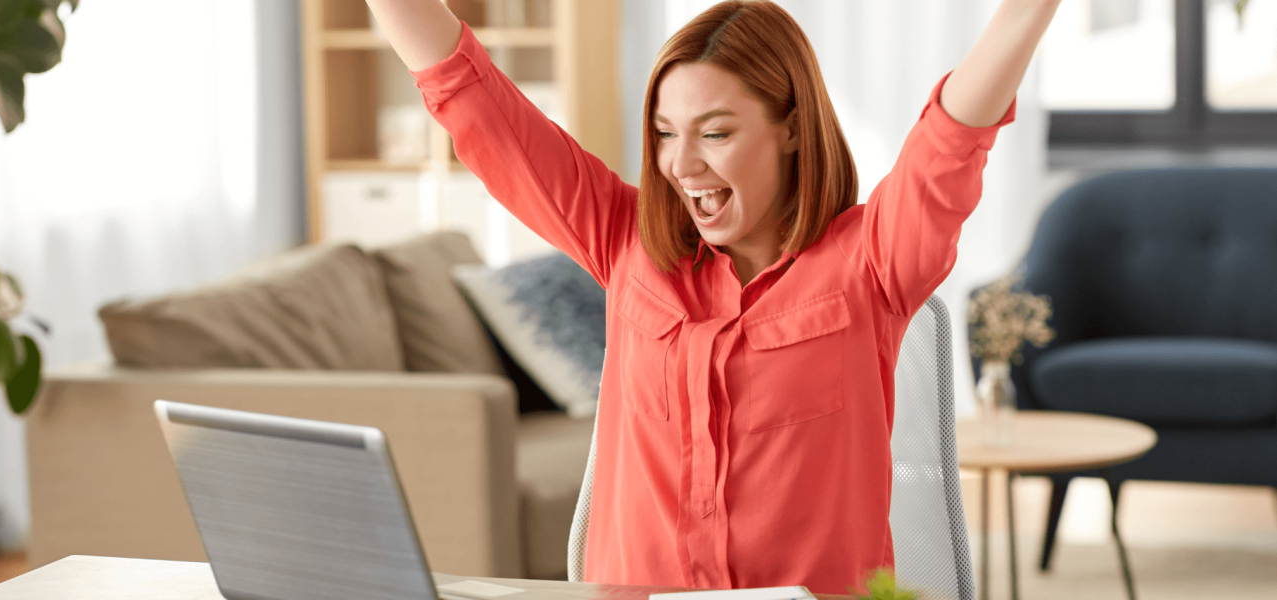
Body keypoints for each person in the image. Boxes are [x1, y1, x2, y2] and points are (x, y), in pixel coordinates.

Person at [363, 0, 1060, 593]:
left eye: (715, 133)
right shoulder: (622, 243)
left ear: (790, 127)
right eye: (665, 134)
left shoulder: (871, 262)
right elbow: (472, 99)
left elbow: (951, 139)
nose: (682, 165)